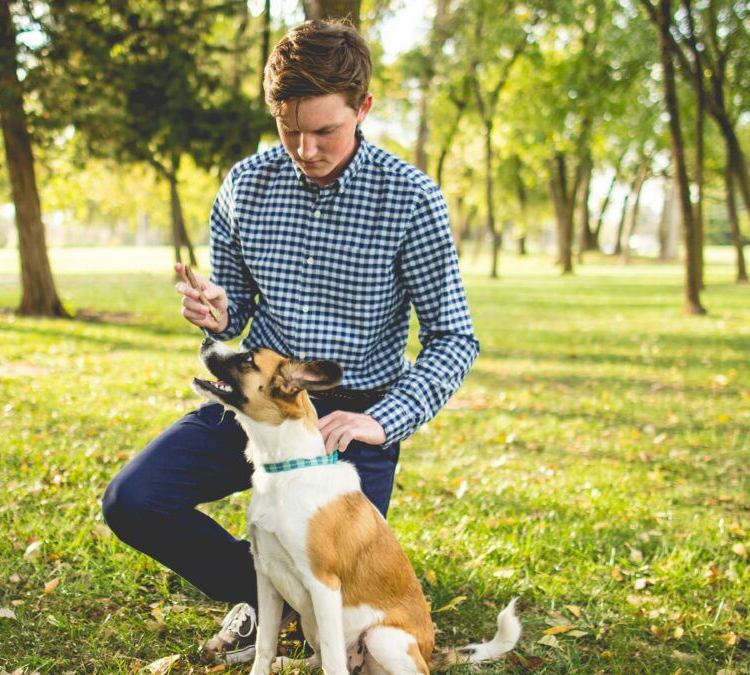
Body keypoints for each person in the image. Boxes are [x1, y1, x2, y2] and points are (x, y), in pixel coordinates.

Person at [101, 18, 479, 665]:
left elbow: (453, 337)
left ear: (363, 108)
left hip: (350, 419)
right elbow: (236, 312)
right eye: (289, 129)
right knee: (133, 500)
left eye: (324, 131)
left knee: (327, 615)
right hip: (259, 402)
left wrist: (380, 419)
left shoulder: (411, 198)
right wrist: (217, 313)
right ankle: (257, 589)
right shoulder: (245, 187)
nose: (305, 148)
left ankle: (290, 596)